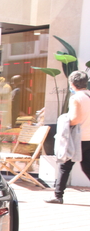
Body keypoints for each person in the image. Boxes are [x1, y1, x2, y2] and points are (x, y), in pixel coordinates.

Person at [45, 70, 90, 204]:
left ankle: (58, 195)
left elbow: (76, 118)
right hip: (89, 138)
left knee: (65, 166)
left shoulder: (76, 98)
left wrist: (65, 119)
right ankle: (58, 195)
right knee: (87, 166)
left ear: (72, 83)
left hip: (78, 138)